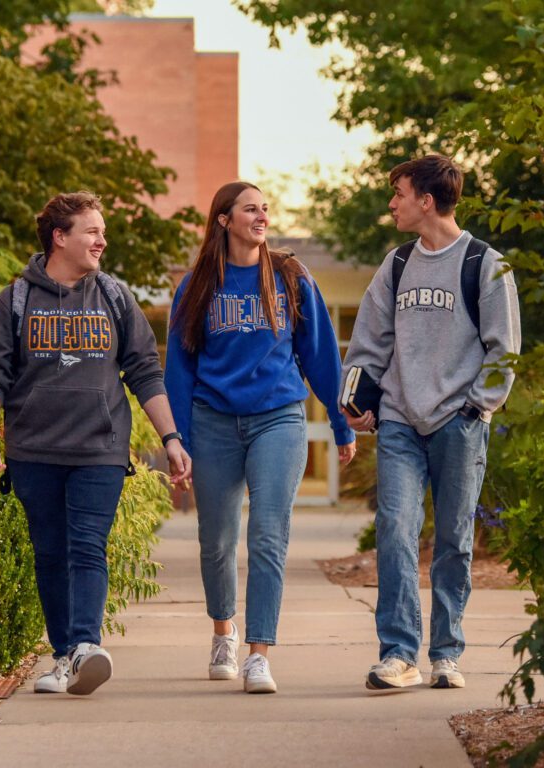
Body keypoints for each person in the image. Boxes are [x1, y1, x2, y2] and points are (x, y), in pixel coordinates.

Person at [0, 191, 191, 697]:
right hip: (34, 449)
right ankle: (65, 656)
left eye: (103, 231)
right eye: (92, 231)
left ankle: (87, 646)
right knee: (50, 553)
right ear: (60, 237)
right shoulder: (16, 299)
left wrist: (171, 437)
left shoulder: (114, 297)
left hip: (100, 447)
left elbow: (144, 371)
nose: (101, 240)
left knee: (87, 546)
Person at [165, 181, 357, 694]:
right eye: (250, 208)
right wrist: (175, 439)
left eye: (265, 208)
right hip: (212, 422)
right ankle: (223, 632)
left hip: (279, 417)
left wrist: (340, 423)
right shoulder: (198, 285)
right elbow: (179, 370)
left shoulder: (291, 277)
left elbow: (321, 358)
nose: (262, 215)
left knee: (268, 534)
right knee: (218, 541)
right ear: (224, 220)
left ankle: (258, 653)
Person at [342, 155, 520, 691]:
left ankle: (446, 652)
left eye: (398, 194)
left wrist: (476, 407)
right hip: (399, 419)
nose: (391, 204)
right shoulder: (396, 265)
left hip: (458, 423)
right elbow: (367, 346)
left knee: (453, 540)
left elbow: (503, 350)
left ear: (426, 200)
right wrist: (356, 402)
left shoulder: (485, 264)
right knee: (395, 531)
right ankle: (398, 653)